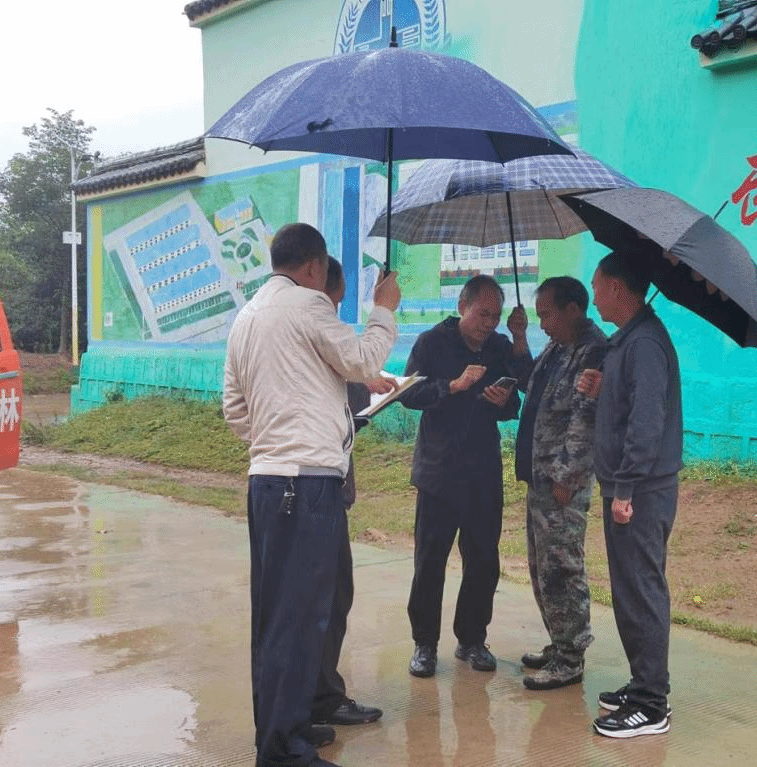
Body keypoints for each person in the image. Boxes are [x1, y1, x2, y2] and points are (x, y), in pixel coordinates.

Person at [223, 223, 400, 767]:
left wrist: (276, 439)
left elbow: (234, 409)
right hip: (304, 485)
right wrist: (384, 309)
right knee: (299, 620)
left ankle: (284, 729)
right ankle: (284, 751)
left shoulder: (247, 316)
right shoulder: (307, 305)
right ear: (314, 267)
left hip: (269, 481)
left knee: (276, 618)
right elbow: (363, 362)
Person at [398, 274, 531, 678]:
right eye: (482, 313)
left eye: (495, 315)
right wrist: (453, 386)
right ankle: (424, 643)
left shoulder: (500, 347)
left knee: (483, 561)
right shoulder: (432, 343)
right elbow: (407, 394)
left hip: (482, 470)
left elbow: (517, 401)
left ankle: (472, 639)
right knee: (430, 561)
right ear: (462, 307)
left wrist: (503, 400)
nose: (488, 323)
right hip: (439, 470)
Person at [581, 250, 682, 739]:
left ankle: (651, 704)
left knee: (642, 590)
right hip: (627, 486)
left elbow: (647, 422)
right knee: (629, 589)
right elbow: (630, 405)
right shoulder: (629, 341)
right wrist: (604, 389)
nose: (593, 296)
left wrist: (625, 488)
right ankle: (644, 683)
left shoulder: (644, 343)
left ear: (618, 288)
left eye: (597, 286)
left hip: (640, 490)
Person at [308, 257, 392, 732]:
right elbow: (359, 367)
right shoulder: (313, 325)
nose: (336, 312)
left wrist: (364, 383)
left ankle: (318, 697)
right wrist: (383, 309)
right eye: (337, 301)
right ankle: (315, 702)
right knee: (323, 600)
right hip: (314, 487)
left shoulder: (269, 322)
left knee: (331, 597)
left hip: (306, 485)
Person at [514, 276, 607, 691]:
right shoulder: (558, 346)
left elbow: (586, 420)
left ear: (572, 310)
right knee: (542, 567)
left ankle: (570, 658)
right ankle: (558, 642)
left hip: (561, 481)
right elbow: (530, 385)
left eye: (547, 314)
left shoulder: (593, 350)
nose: (543, 323)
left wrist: (568, 477)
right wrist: (519, 338)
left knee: (563, 569)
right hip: (540, 476)